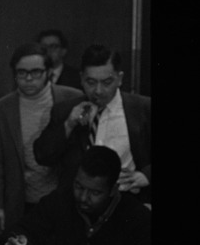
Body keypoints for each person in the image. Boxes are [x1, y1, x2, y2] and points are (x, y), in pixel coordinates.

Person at [0, 42, 84, 237]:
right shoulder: (1, 108)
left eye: (36, 72)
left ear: (48, 72)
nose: (29, 79)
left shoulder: (73, 98)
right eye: (22, 73)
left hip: (64, 199)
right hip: (21, 201)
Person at [34, 43, 151, 204]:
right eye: (91, 82)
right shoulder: (65, 110)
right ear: (81, 78)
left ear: (120, 78)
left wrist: (146, 175)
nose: (98, 90)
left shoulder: (142, 108)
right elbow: (42, 156)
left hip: (127, 202)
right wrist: (68, 124)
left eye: (106, 82)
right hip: (78, 205)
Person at [6, 146, 151, 245]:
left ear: (113, 190)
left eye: (95, 193)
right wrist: (20, 241)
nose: (83, 197)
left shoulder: (135, 216)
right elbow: (23, 229)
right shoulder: (59, 200)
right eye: (79, 187)